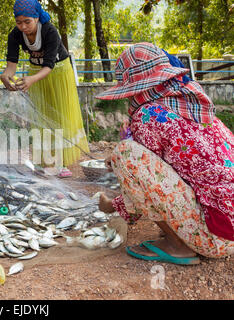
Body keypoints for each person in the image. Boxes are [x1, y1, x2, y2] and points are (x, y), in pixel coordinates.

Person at [97, 43, 233, 265]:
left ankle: (177, 245)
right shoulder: (189, 103)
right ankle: (183, 234)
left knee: (124, 154)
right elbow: (166, 171)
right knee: (127, 158)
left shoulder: (148, 114)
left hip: (216, 237)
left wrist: (113, 205)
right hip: (229, 227)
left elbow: (141, 178)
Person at [0, 0, 89, 178]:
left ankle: (62, 163)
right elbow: (11, 65)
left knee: (59, 115)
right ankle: (46, 162)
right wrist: (6, 76)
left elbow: (49, 65)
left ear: (36, 18)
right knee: (42, 116)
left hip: (58, 72)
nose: (23, 26)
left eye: (27, 22)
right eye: (19, 22)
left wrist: (31, 80)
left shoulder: (49, 31)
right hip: (35, 74)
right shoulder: (15, 35)